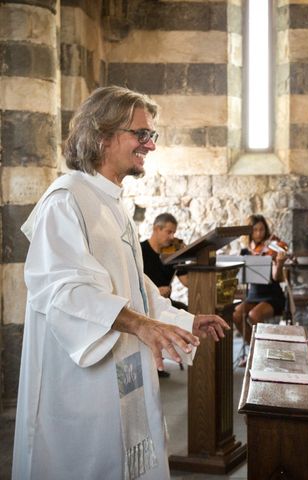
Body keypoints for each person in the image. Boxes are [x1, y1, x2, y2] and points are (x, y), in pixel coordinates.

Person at [12, 86, 230, 480]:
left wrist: (182, 321)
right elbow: (64, 291)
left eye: (151, 135)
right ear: (102, 135)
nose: (150, 145)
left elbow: (136, 286)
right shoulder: (66, 200)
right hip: (82, 386)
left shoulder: (109, 202)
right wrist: (143, 325)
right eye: (140, 134)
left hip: (121, 373)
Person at [232, 214, 287, 344]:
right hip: (253, 295)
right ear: (249, 232)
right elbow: (242, 277)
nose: (259, 233)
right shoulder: (245, 252)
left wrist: (279, 263)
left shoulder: (272, 249)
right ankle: (253, 348)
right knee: (236, 315)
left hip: (272, 296)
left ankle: (265, 349)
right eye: (255, 230)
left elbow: (277, 277)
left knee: (254, 315)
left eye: (261, 229)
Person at [141, 212, 188, 311]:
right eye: (169, 232)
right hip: (146, 304)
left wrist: (184, 255)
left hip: (166, 304)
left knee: (188, 311)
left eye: (174, 233)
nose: (172, 237)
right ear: (157, 229)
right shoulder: (140, 251)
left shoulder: (173, 252)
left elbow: (187, 281)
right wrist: (155, 292)